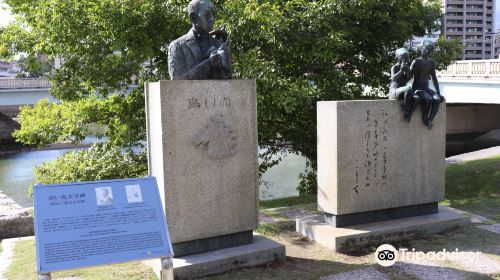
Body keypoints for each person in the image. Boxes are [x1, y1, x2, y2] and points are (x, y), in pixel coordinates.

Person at [168, 0, 231, 80]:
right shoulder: (177, 46)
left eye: (213, 14)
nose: (212, 18)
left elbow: (228, 81)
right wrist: (208, 64)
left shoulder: (219, 45)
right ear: (193, 18)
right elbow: (177, 81)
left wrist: (225, 59)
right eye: (207, 14)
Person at [409, 40, 444, 129]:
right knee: (428, 100)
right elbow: (409, 76)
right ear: (421, 49)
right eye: (425, 48)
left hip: (427, 88)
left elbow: (434, 77)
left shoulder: (431, 62)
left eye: (428, 49)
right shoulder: (416, 61)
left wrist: (438, 91)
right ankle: (425, 117)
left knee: (436, 99)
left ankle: (430, 120)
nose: (426, 50)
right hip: (418, 88)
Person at [389, 48, 413, 120]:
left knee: (414, 95)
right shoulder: (394, 67)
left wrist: (407, 70)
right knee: (408, 88)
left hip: (403, 91)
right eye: (402, 58)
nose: (403, 60)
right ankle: (406, 110)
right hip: (394, 90)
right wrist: (401, 71)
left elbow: (408, 78)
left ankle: (408, 109)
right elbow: (393, 78)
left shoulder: (406, 67)